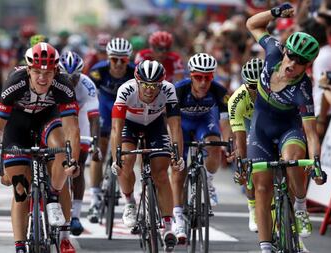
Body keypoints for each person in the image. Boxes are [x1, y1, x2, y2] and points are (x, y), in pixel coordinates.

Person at [0, 42, 80, 253]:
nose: (42, 78)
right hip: (17, 126)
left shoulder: (63, 84)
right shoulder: (15, 83)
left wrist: (72, 160)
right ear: (28, 69)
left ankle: (54, 197)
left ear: (56, 70)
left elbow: (72, 129)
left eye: (48, 72)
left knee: (61, 153)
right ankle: (20, 245)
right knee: (19, 188)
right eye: (37, 71)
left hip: (48, 120)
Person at [246, 3, 325, 252]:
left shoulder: (303, 89)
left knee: (292, 160)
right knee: (261, 186)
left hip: (288, 130)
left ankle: (300, 204)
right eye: (291, 56)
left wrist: (316, 164)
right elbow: (252, 24)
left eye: (301, 62)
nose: (293, 64)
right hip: (261, 128)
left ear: (308, 65)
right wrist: (275, 13)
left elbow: (311, 133)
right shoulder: (272, 52)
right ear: (285, 51)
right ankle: (266, 245)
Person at [110, 60, 184, 252]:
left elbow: (175, 125)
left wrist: (178, 155)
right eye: (145, 85)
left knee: (161, 173)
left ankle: (168, 226)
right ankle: (129, 202)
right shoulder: (126, 90)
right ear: (137, 82)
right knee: (126, 163)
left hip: (155, 125)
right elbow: (116, 128)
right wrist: (115, 157)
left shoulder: (169, 90)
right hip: (130, 125)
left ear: (161, 84)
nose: (150, 90)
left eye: (154, 86)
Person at [173, 53, 232, 242]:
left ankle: (208, 181)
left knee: (214, 144)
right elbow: (169, 122)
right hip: (181, 124)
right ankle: (178, 216)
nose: (203, 82)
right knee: (178, 168)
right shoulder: (178, 91)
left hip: (204, 122)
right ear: (191, 76)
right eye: (198, 77)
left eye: (208, 77)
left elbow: (225, 123)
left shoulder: (220, 91)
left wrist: (228, 144)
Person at [86, 37, 135, 223]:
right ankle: (95, 197)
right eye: (115, 59)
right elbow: (90, 97)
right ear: (108, 58)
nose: (119, 64)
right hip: (106, 107)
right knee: (100, 149)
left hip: (126, 109)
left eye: (123, 60)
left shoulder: (134, 73)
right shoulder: (98, 71)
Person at [58, 50, 101, 236]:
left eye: (74, 76)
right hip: (57, 116)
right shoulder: (52, 82)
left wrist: (95, 143)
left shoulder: (87, 85)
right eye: (66, 76)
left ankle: (75, 216)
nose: (70, 80)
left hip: (80, 117)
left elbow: (94, 119)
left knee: (79, 165)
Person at [228, 58, 264, 233]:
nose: (256, 91)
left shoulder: (276, 91)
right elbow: (240, 140)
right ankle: (252, 208)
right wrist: (241, 165)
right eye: (252, 86)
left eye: (260, 85)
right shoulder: (237, 99)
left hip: (271, 120)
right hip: (250, 124)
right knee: (249, 162)